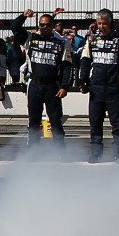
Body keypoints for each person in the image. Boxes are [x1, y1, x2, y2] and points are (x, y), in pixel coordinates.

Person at [10, 8, 73, 152]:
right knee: (34, 122)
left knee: (56, 121)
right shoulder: (30, 38)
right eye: (42, 25)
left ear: (53, 26)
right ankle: (33, 152)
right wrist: (23, 16)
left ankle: (60, 152)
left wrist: (64, 86)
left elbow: (67, 67)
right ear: (39, 25)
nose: (45, 27)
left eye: (48, 25)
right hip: (34, 85)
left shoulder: (61, 43)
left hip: (52, 86)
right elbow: (14, 28)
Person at [78, 8, 119, 163]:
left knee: (117, 124)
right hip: (96, 88)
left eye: (104, 23)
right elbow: (85, 60)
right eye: (99, 23)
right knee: (95, 123)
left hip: (113, 88)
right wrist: (83, 80)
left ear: (111, 23)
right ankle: (96, 152)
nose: (101, 26)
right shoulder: (91, 40)